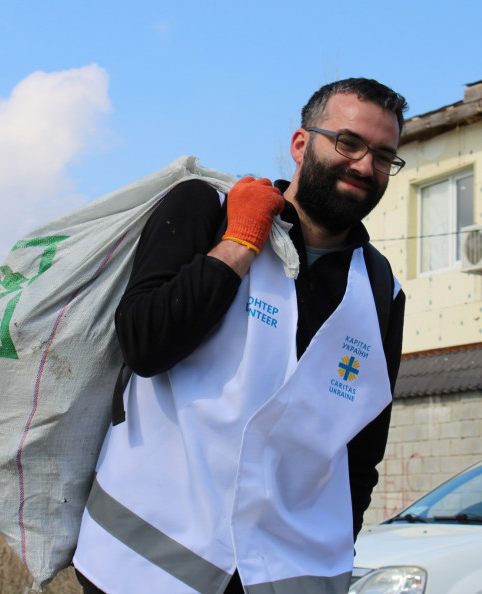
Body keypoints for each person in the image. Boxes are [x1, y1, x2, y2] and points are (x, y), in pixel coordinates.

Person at [73, 78, 408, 594]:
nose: (365, 166)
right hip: (141, 566)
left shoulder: (381, 291)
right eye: (349, 143)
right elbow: (144, 344)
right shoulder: (206, 208)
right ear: (301, 144)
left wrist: (335, 542)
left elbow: (362, 450)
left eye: (384, 156)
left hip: (283, 579)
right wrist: (238, 244)